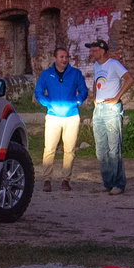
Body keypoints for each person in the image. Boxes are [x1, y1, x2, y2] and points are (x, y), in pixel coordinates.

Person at [33, 44, 90, 191]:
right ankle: (47, 179)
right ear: (55, 58)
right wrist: (47, 103)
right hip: (53, 116)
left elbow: (83, 90)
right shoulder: (46, 74)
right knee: (49, 149)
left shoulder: (75, 73)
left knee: (69, 150)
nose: (65, 60)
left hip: (71, 116)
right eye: (62, 57)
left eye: (66, 57)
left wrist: (78, 101)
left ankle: (66, 179)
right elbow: (39, 92)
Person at [86, 36, 129, 195]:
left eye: (94, 50)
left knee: (113, 149)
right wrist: (95, 99)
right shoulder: (97, 65)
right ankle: (107, 182)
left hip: (112, 109)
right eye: (91, 50)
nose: (92, 52)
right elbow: (96, 82)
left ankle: (118, 183)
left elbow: (129, 79)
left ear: (103, 50)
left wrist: (117, 97)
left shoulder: (114, 64)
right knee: (101, 149)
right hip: (100, 109)